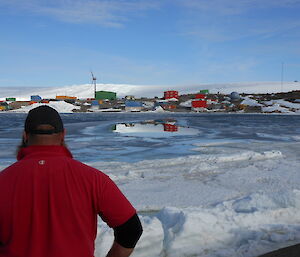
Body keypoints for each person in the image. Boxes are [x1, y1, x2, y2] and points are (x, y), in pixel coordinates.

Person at [0, 105, 142, 257]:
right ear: (63, 135)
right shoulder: (92, 179)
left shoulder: (3, 181)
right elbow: (131, 229)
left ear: (25, 136)